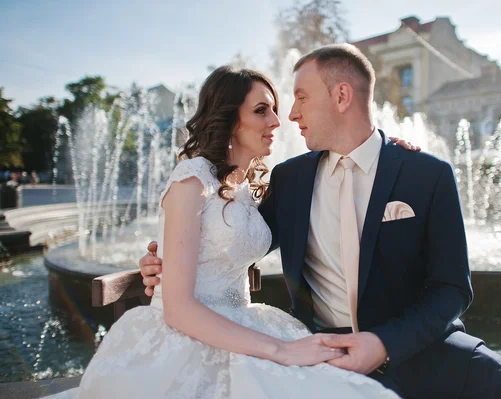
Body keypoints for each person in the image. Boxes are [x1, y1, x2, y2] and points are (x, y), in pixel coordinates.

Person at [141, 44, 501, 398]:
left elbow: (451, 289)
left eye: (300, 99)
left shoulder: (426, 174)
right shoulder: (289, 179)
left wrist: (384, 344)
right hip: (316, 348)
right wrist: (164, 263)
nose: (290, 117)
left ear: (341, 96)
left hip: (414, 345)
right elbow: (231, 234)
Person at [45, 66, 414, 399]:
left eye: (273, 108)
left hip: (245, 321)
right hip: (189, 334)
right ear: (228, 118)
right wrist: (281, 350)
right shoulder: (193, 180)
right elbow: (178, 309)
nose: (276, 120)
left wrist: (385, 152)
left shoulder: (249, 188)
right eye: (260, 110)